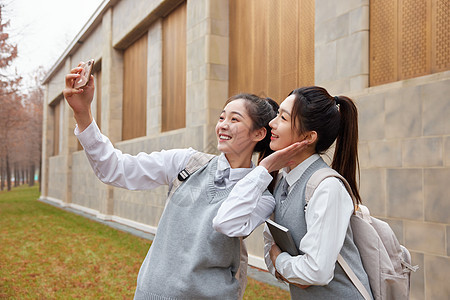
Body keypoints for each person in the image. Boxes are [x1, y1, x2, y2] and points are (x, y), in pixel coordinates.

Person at [63, 65, 290, 299]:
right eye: (222, 117)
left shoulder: (262, 198)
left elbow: (227, 223)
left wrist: (262, 172)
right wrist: (83, 114)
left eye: (235, 119)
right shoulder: (186, 163)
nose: (222, 124)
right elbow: (114, 169)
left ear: (258, 134)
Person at [224, 86, 372, 299]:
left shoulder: (327, 188)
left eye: (283, 118)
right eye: (277, 115)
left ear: (309, 137)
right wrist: (264, 168)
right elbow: (265, 245)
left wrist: (280, 261)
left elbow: (315, 272)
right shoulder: (282, 181)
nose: (272, 124)